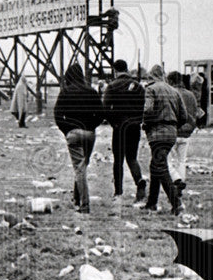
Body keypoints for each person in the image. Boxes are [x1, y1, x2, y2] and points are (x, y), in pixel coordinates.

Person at [54, 63, 104, 213]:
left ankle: (84, 204)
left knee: (79, 169)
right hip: (89, 134)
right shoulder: (91, 91)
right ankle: (76, 197)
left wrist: (67, 130)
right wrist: (91, 127)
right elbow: (101, 115)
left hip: (73, 133)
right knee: (82, 167)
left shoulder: (65, 92)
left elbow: (57, 115)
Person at [141, 64, 187, 215]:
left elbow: (147, 109)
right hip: (172, 132)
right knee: (156, 165)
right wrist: (173, 125)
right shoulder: (174, 91)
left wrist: (146, 123)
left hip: (157, 132)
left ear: (151, 76)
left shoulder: (150, 89)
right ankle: (151, 202)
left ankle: (176, 204)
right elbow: (184, 116)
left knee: (160, 167)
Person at [103, 59, 147, 202]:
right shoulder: (138, 86)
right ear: (127, 69)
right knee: (132, 158)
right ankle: (139, 180)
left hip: (119, 127)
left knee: (118, 160)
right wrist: (138, 120)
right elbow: (144, 106)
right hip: (134, 126)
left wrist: (113, 123)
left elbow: (105, 108)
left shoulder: (112, 86)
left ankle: (118, 192)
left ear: (115, 71)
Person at [167, 71, 201, 196]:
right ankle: (180, 184)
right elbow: (196, 113)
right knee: (182, 160)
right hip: (187, 132)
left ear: (170, 81)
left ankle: (176, 179)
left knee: (166, 160)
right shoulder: (191, 95)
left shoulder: (171, 94)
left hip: (173, 131)